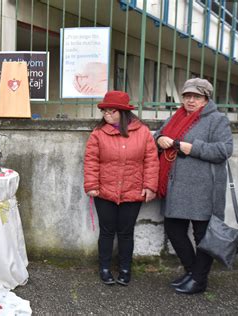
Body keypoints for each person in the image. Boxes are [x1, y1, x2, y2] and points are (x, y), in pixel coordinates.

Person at [154, 78, 233, 294]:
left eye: (196, 96)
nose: (190, 100)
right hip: (176, 187)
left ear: (206, 98)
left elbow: (224, 151)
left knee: (202, 236)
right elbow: (158, 134)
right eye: (187, 96)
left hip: (203, 189)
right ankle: (193, 272)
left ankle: (199, 280)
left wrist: (193, 148)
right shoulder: (176, 117)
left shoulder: (217, 120)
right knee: (173, 229)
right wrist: (160, 138)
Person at [84, 91, 159, 286]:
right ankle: (105, 268)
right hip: (104, 191)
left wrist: (150, 186)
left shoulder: (142, 132)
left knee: (126, 232)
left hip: (133, 191)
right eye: (104, 111)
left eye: (112, 111)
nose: (107, 115)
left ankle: (126, 269)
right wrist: (92, 185)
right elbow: (91, 161)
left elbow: (151, 160)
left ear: (123, 113)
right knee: (107, 231)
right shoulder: (98, 134)